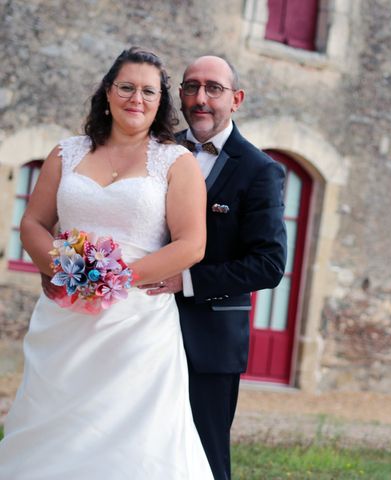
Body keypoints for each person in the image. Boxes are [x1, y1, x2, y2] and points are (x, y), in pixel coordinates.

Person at [0, 47, 214, 479]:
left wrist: (115, 278)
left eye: (148, 91)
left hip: (137, 324)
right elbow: (33, 223)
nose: (137, 99)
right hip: (64, 316)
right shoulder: (67, 152)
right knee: (54, 424)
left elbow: (192, 244)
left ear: (160, 102)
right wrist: (64, 270)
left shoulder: (177, 162)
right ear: (108, 92)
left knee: (130, 435)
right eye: (127, 87)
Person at [145, 55, 287, 480]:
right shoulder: (156, 152)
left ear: (236, 99)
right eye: (191, 87)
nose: (200, 98)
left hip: (210, 340)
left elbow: (269, 264)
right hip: (140, 327)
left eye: (213, 89)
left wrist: (185, 280)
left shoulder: (260, 171)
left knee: (204, 460)